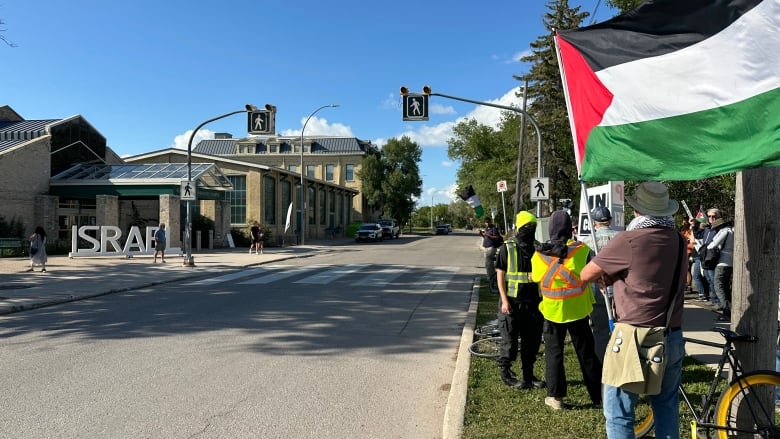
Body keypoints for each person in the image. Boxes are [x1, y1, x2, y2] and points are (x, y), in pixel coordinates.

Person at [580, 181, 687, 439]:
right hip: (670, 334)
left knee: (619, 412)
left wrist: (612, 278)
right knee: (666, 408)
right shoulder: (679, 241)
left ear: (637, 211)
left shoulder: (629, 239)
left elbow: (586, 273)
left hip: (632, 337)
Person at [531, 210, 602, 410]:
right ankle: (598, 397)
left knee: (554, 354)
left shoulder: (539, 254)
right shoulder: (582, 250)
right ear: (570, 228)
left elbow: (536, 278)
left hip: (552, 311)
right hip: (579, 310)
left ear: (551, 229)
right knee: (587, 353)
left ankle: (556, 398)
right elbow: (593, 273)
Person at [494, 211, 545, 389]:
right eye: (527, 227)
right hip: (512, 303)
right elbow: (500, 275)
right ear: (519, 228)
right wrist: (504, 300)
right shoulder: (507, 248)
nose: (530, 230)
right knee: (510, 341)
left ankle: (528, 376)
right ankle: (506, 373)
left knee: (532, 342)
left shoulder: (538, 247)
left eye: (533, 226)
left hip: (534, 303)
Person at [581, 206, 621, 364]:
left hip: (597, 290)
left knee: (599, 330)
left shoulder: (587, 242)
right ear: (609, 220)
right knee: (622, 330)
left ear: (594, 222)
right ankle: (620, 360)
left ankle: (602, 362)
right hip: (618, 289)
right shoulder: (620, 238)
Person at [708, 217, 734, 322]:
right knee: (726, 287)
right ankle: (731, 309)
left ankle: (726, 311)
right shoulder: (733, 231)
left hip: (722, 262)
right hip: (731, 262)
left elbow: (712, 245)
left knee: (718, 286)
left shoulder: (724, 231)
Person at [701, 208, 723, 309]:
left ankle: (719, 302)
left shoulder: (720, 228)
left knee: (715, 280)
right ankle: (713, 299)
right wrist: (694, 226)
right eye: (709, 216)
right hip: (705, 256)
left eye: (714, 216)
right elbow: (699, 236)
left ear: (718, 217)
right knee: (709, 278)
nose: (711, 218)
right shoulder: (707, 228)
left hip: (714, 257)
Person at [690, 216, 711, 301]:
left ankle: (702, 294)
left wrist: (693, 228)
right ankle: (704, 294)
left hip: (700, 257)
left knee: (697, 276)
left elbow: (694, 239)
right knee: (702, 276)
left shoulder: (702, 234)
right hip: (697, 256)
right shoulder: (702, 233)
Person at [479, 217, 502, 286]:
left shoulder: (493, 228)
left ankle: (490, 278)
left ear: (490, 222)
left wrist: (488, 235)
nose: (487, 223)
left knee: (488, 263)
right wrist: (481, 234)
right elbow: (485, 237)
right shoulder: (487, 229)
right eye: (486, 222)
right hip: (486, 248)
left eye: (488, 222)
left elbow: (496, 237)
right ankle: (492, 278)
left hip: (491, 248)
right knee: (489, 264)